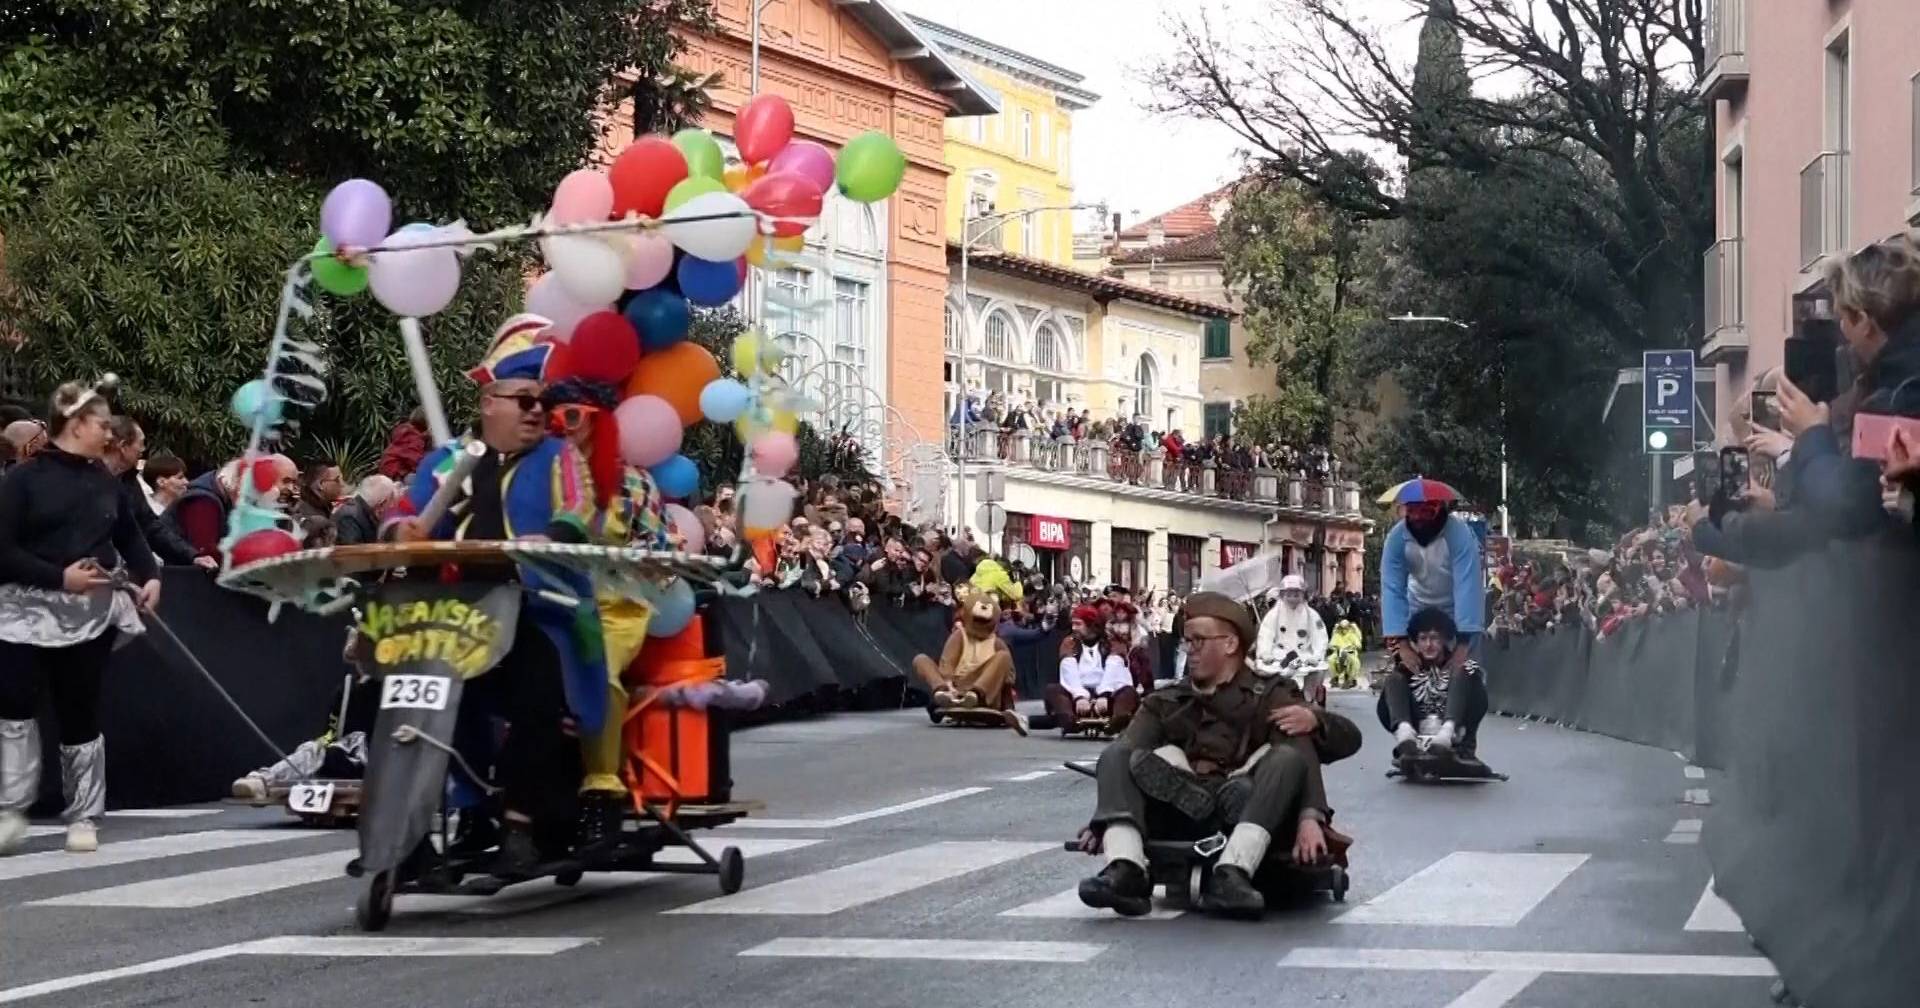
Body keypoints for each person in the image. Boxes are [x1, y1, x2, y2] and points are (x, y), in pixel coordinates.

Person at [390, 314, 601, 878]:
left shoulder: (559, 457)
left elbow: (578, 514)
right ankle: (417, 829)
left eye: (541, 399)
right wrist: (397, 535)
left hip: (536, 610)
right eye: (522, 399)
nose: (537, 409)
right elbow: (406, 519)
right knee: (405, 701)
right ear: (488, 403)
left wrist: (547, 538)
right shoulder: (445, 464)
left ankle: (518, 822)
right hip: (446, 617)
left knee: (538, 699)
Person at [1074, 591, 1359, 919]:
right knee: (1117, 755)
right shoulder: (1167, 700)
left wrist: (1311, 814)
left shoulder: (1268, 694)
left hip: (1250, 807)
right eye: (1187, 642)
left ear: (1230, 644)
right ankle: (1126, 870)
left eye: (1198, 640)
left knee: (1284, 756)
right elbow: (1125, 752)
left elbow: (1335, 743)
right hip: (1178, 810)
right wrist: (1106, 818)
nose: (1189, 650)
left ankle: (1232, 873)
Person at [0, 381, 163, 855]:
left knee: (80, 711)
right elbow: (2, 551)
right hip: (22, 614)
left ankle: (85, 815)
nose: (110, 433)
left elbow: (132, 537)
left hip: (87, 616)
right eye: (102, 424)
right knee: (11, 705)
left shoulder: (106, 482)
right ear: (75, 424)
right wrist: (57, 577)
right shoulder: (22, 481)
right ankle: (9, 808)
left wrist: (150, 575)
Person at [101, 416, 214, 571]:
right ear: (123, 446)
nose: (143, 449)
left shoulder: (128, 481)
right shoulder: (85, 477)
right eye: (140, 443)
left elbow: (150, 527)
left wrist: (192, 556)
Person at [1376, 607, 1488, 763]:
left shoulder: (1462, 666)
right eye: (1423, 639)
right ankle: (1405, 733)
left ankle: (1447, 733)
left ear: (1444, 640)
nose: (1429, 645)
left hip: (1456, 732)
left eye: (1434, 638)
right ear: (1416, 642)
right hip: (1417, 728)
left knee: (1464, 672)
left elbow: (1479, 700)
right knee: (1393, 679)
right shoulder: (1406, 669)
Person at [910, 594, 1027, 734]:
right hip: (955, 688)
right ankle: (942, 692)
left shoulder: (997, 643)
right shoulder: (960, 636)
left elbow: (1009, 677)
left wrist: (1008, 708)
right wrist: (948, 684)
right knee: (921, 659)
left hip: (985, 692)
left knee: (1003, 657)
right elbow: (947, 663)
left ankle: (975, 695)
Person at [1045, 605, 1135, 735]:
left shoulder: (1113, 641)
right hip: (1078, 698)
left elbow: (1114, 668)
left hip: (1108, 696)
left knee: (1128, 693)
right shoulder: (1070, 642)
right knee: (1053, 690)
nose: (1074, 628)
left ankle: (1116, 721)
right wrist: (1079, 696)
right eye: (1073, 624)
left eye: (1078, 624)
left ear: (1091, 625)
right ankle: (1070, 720)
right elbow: (1068, 669)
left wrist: (1104, 694)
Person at [1255, 574, 1328, 681]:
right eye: (1289, 595)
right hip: (1279, 658)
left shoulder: (1312, 615)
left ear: (1303, 595)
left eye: (1296, 595)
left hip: (1304, 658)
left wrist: (1317, 656)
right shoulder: (1274, 614)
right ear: (1282, 595)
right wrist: (1265, 653)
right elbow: (1266, 634)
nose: (1292, 598)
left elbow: (1320, 636)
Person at [331, 475, 397, 546]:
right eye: (391, 503)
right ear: (382, 503)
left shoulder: (366, 512)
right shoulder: (349, 518)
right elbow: (354, 554)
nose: (392, 507)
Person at [1329, 616, 1364, 689]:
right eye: (1342, 628)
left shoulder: (1352, 634)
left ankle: (1351, 679)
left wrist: (1351, 647)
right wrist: (1336, 648)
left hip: (1350, 652)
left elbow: (1359, 645)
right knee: (1331, 660)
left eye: (1345, 628)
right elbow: (1331, 645)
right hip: (1338, 652)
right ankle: (1335, 678)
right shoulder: (1337, 634)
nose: (1344, 629)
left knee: (1355, 661)